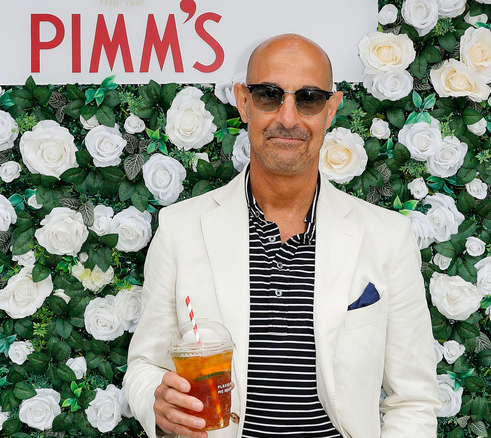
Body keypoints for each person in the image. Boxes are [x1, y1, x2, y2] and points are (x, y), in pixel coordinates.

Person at [124, 34, 439, 438]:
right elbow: (144, 366)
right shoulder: (180, 228)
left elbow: (413, 399)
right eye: (269, 95)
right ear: (243, 102)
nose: (288, 118)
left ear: (331, 110)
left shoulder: (387, 236)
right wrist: (158, 402)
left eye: (308, 98)